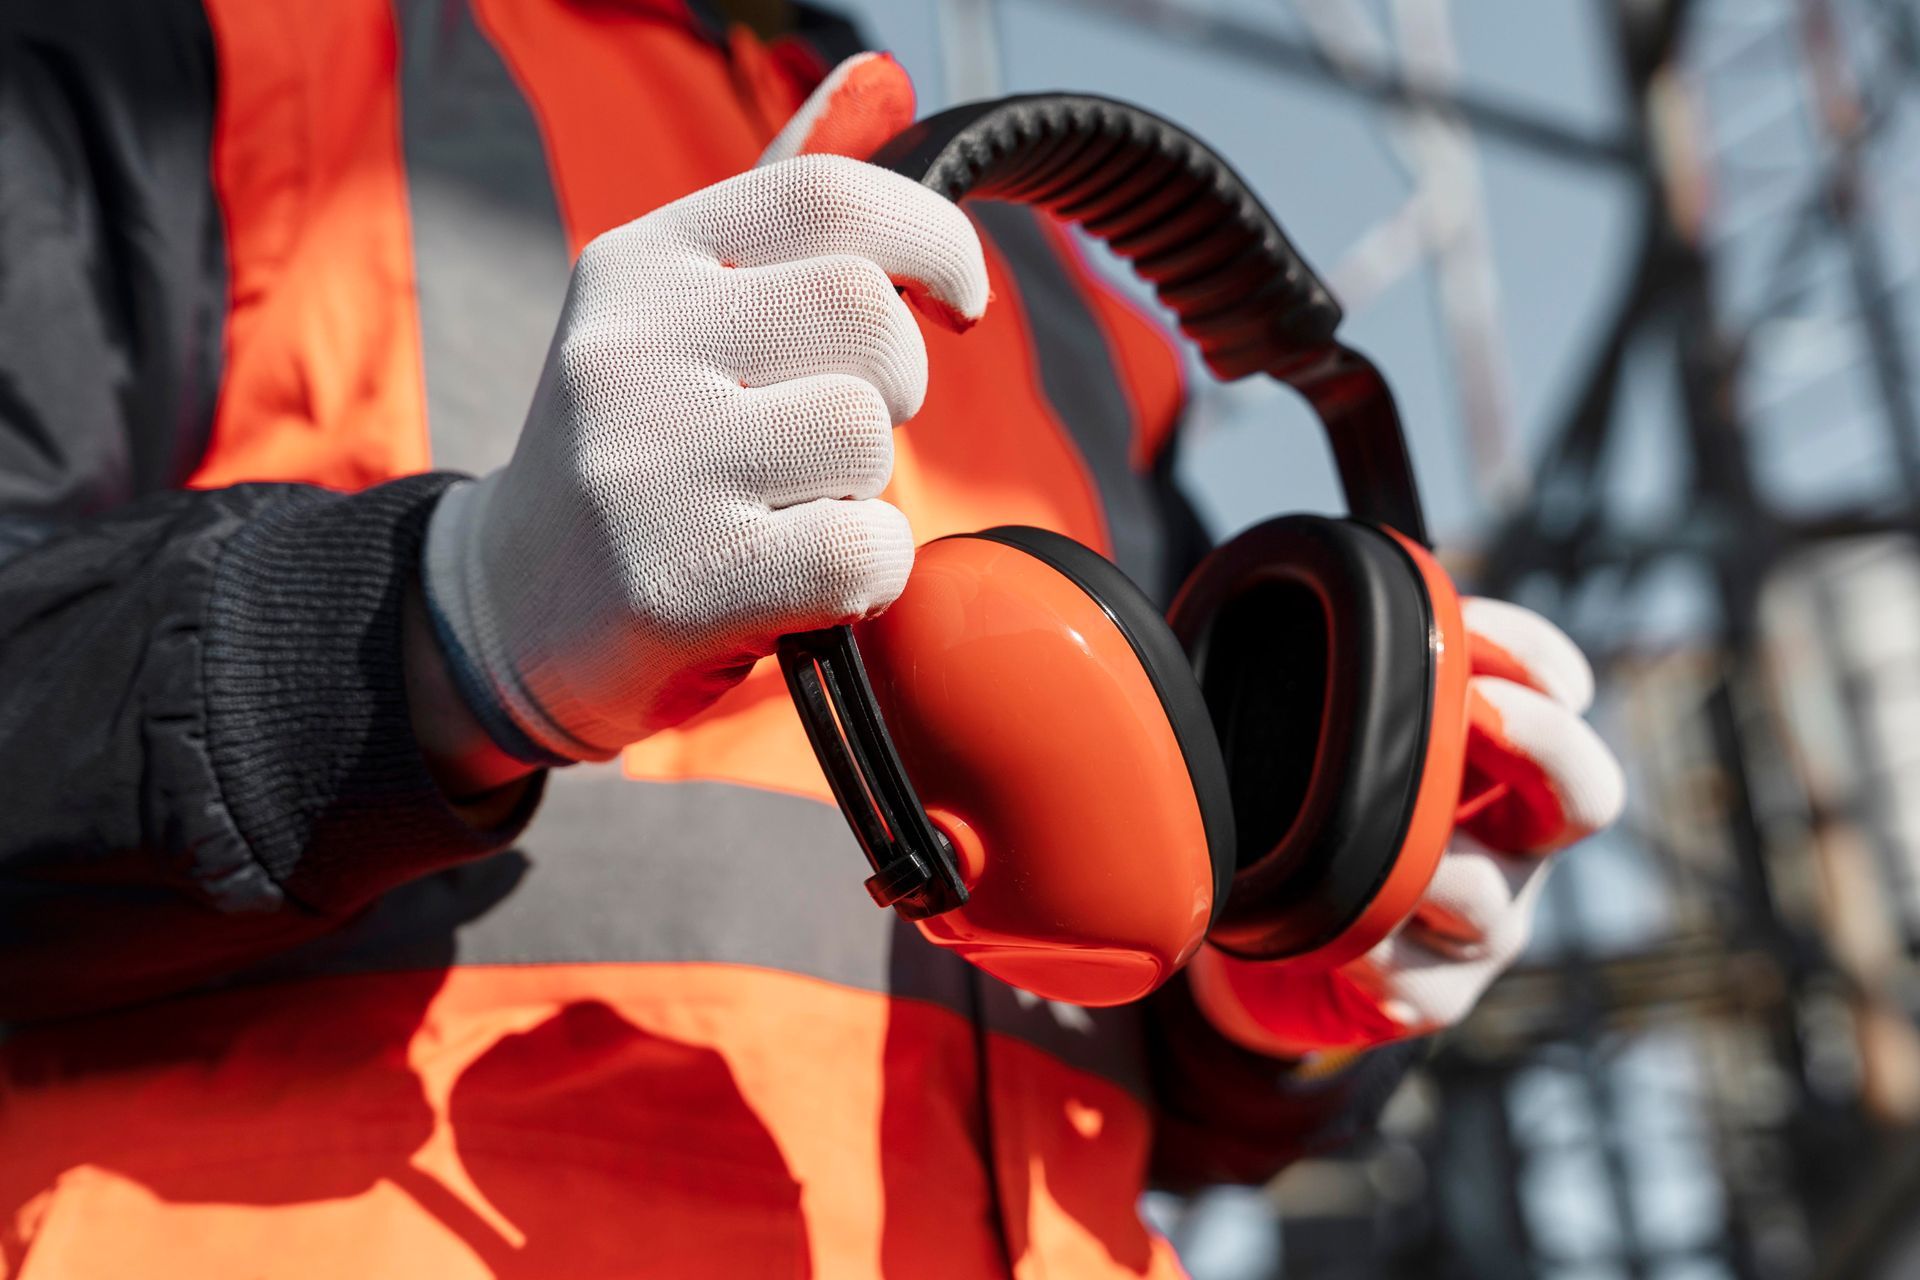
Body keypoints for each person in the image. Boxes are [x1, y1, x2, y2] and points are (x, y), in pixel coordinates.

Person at [0, 1, 1624, 1275]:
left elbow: (1109, 950)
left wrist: (1264, 1013)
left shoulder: (1056, 291)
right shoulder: (182, 54)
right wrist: (440, 625)